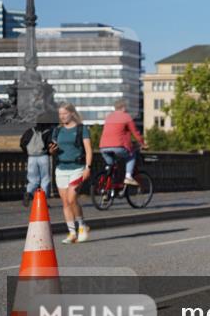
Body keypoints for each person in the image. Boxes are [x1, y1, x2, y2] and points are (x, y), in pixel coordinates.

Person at [48, 103, 92, 244]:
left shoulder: (81, 129)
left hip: (77, 168)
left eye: (64, 114)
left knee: (72, 198)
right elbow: (52, 150)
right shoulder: (57, 130)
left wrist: (88, 167)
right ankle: (72, 233)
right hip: (61, 168)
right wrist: (52, 151)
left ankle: (82, 227)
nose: (62, 116)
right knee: (65, 202)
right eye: (60, 114)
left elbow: (89, 150)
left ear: (72, 113)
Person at [98, 99, 146, 185]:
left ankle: (108, 187)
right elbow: (135, 132)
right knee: (131, 155)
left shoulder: (109, 116)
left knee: (112, 166)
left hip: (103, 147)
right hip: (118, 146)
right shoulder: (126, 116)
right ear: (123, 108)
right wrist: (142, 143)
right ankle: (128, 176)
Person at [20, 121, 53, 204]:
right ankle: (43, 200)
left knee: (32, 179)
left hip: (31, 157)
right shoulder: (48, 131)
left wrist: (27, 152)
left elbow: (22, 143)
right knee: (45, 179)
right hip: (43, 157)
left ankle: (29, 192)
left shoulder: (29, 131)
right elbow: (50, 145)